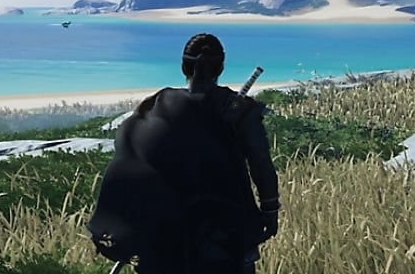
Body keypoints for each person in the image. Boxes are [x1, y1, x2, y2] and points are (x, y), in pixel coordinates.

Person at [88, 33, 280, 273]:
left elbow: (131, 162)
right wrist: (270, 210)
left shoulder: (157, 105)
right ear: (220, 67)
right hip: (227, 231)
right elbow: (261, 164)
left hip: (164, 233)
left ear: (183, 67)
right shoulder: (240, 110)